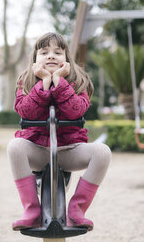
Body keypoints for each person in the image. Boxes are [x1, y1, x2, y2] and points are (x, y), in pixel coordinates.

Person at [7, 32, 112, 232]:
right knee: (15, 147)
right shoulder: (26, 81)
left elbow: (76, 111)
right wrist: (44, 83)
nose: (51, 56)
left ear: (67, 58)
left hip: (69, 150)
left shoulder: (77, 81)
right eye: (44, 52)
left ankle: (76, 208)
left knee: (103, 152)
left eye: (58, 52)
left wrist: (60, 82)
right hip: (37, 148)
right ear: (35, 59)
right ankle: (32, 210)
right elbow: (26, 111)